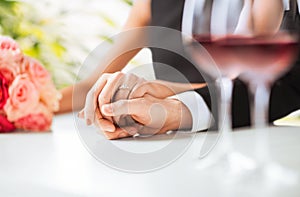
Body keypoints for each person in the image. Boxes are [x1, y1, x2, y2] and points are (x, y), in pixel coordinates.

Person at [60, 0, 300, 139]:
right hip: (173, 140)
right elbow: (88, 86)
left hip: (236, 136)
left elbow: (245, 80)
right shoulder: (151, 3)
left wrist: (163, 93)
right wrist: (35, 103)